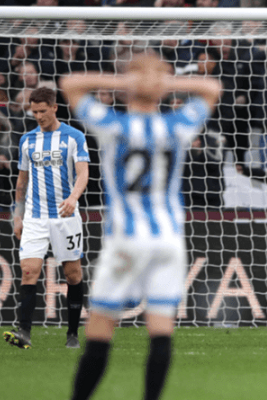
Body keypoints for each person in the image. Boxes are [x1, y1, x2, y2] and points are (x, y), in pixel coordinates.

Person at [60, 53, 221, 400]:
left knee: (100, 331)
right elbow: (211, 87)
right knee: (161, 331)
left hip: (125, 243)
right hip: (168, 241)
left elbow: (69, 83)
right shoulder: (177, 125)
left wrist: (128, 83)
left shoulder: (113, 125)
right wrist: (161, 84)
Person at [3, 87, 89, 350]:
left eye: (42, 111)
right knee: (29, 272)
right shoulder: (27, 140)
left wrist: (73, 197)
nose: (38, 116)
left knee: (72, 275)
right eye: (34, 111)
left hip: (66, 216)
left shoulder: (74, 137)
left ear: (54, 108)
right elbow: (22, 181)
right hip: (35, 218)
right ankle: (24, 333)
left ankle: (72, 334)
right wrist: (18, 216)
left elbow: (83, 173)